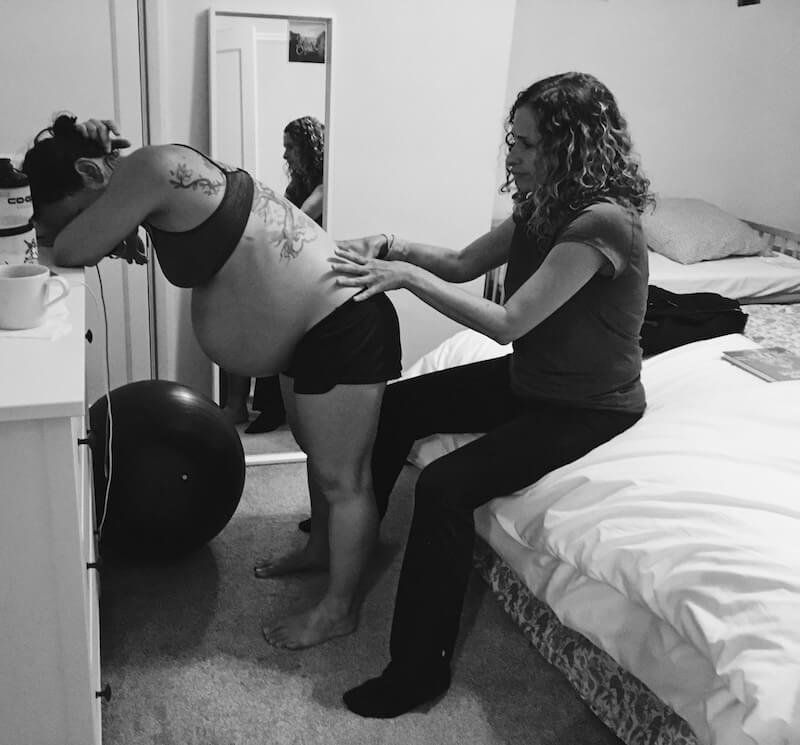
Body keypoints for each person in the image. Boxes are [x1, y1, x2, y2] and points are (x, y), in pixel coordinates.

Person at [329, 71, 654, 717]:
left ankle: (418, 670)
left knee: (445, 486)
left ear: (572, 146)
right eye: (513, 139)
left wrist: (404, 277)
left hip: (588, 405)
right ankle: (344, 538)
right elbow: (458, 264)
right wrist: (391, 245)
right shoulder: (542, 206)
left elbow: (509, 322)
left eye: (528, 143)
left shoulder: (603, 224)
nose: (512, 154)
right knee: (397, 405)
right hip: (532, 381)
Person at [23, 114, 401, 650]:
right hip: (313, 327)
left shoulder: (149, 168)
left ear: (89, 169)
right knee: (319, 458)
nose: (87, 220)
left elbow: (69, 249)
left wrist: (68, 227)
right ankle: (321, 550)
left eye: (78, 209)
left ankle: (339, 611)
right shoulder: (143, 178)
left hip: (346, 322)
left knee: (345, 477)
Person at [222, 115, 326, 434]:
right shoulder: (297, 185)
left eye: (291, 147)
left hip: (313, 276)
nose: (285, 155)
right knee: (236, 313)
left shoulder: (327, 184)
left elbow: (298, 219)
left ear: (310, 148)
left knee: (258, 317)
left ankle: (255, 405)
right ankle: (237, 403)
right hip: (291, 268)